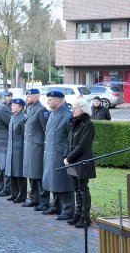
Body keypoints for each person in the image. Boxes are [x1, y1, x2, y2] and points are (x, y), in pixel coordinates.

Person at [42, 91, 75, 221]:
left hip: (60, 153)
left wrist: (66, 154)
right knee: (53, 179)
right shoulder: (52, 114)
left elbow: (69, 138)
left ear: (60, 100)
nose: (48, 102)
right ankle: (56, 205)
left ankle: (68, 210)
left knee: (63, 181)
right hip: (50, 152)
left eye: (50, 99)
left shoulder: (67, 115)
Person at [64, 99, 96, 228]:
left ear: (82, 109)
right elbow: (68, 141)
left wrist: (70, 158)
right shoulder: (74, 122)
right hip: (73, 161)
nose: (72, 110)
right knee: (76, 189)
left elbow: (83, 145)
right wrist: (66, 156)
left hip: (82, 161)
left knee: (83, 189)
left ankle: (85, 217)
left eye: (75, 108)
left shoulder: (88, 124)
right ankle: (78, 215)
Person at [22, 89, 50, 211]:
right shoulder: (30, 109)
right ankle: (33, 198)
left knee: (38, 175)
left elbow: (46, 131)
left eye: (28, 96)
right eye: (26, 96)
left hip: (38, 147)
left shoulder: (41, 110)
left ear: (36, 97)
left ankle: (44, 202)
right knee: (31, 174)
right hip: (29, 147)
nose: (26, 98)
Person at [5, 98, 27, 203]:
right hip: (11, 148)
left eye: (14, 105)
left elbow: (24, 136)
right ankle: (14, 194)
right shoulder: (13, 117)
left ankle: (22, 195)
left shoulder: (23, 118)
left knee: (19, 173)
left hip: (19, 149)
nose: (11, 107)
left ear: (20, 107)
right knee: (12, 171)